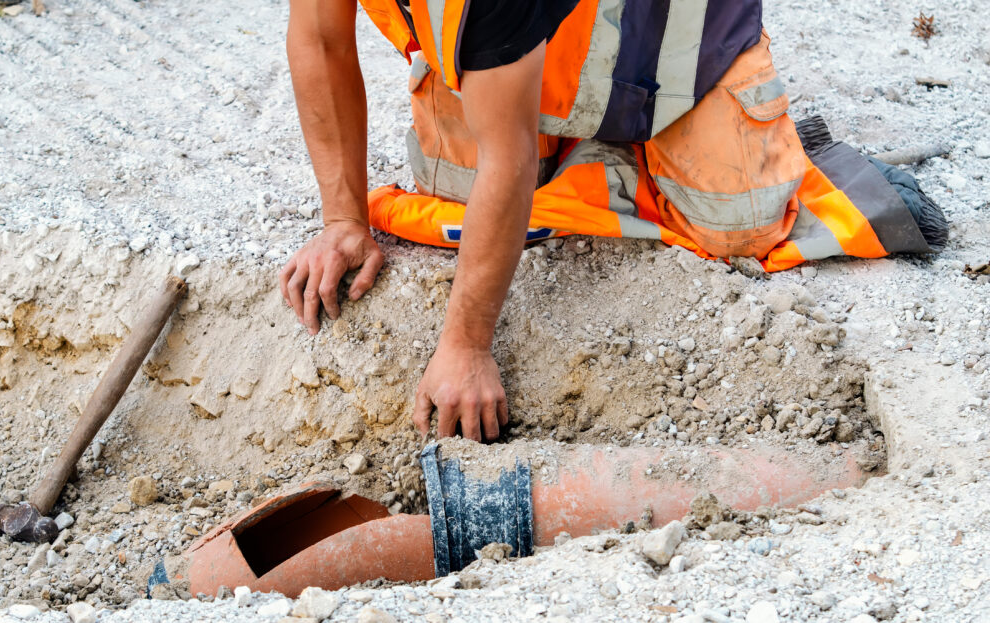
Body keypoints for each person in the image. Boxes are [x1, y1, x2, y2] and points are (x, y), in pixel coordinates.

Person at [279, 0, 945, 443]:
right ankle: (578, 139)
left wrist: (466, 345)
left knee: (741, 223)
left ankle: (744, 152)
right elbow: (318, 38)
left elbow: (506, 160)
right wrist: (343, 220)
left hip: (675, 46)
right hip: (537, 39)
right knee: (450, 181)